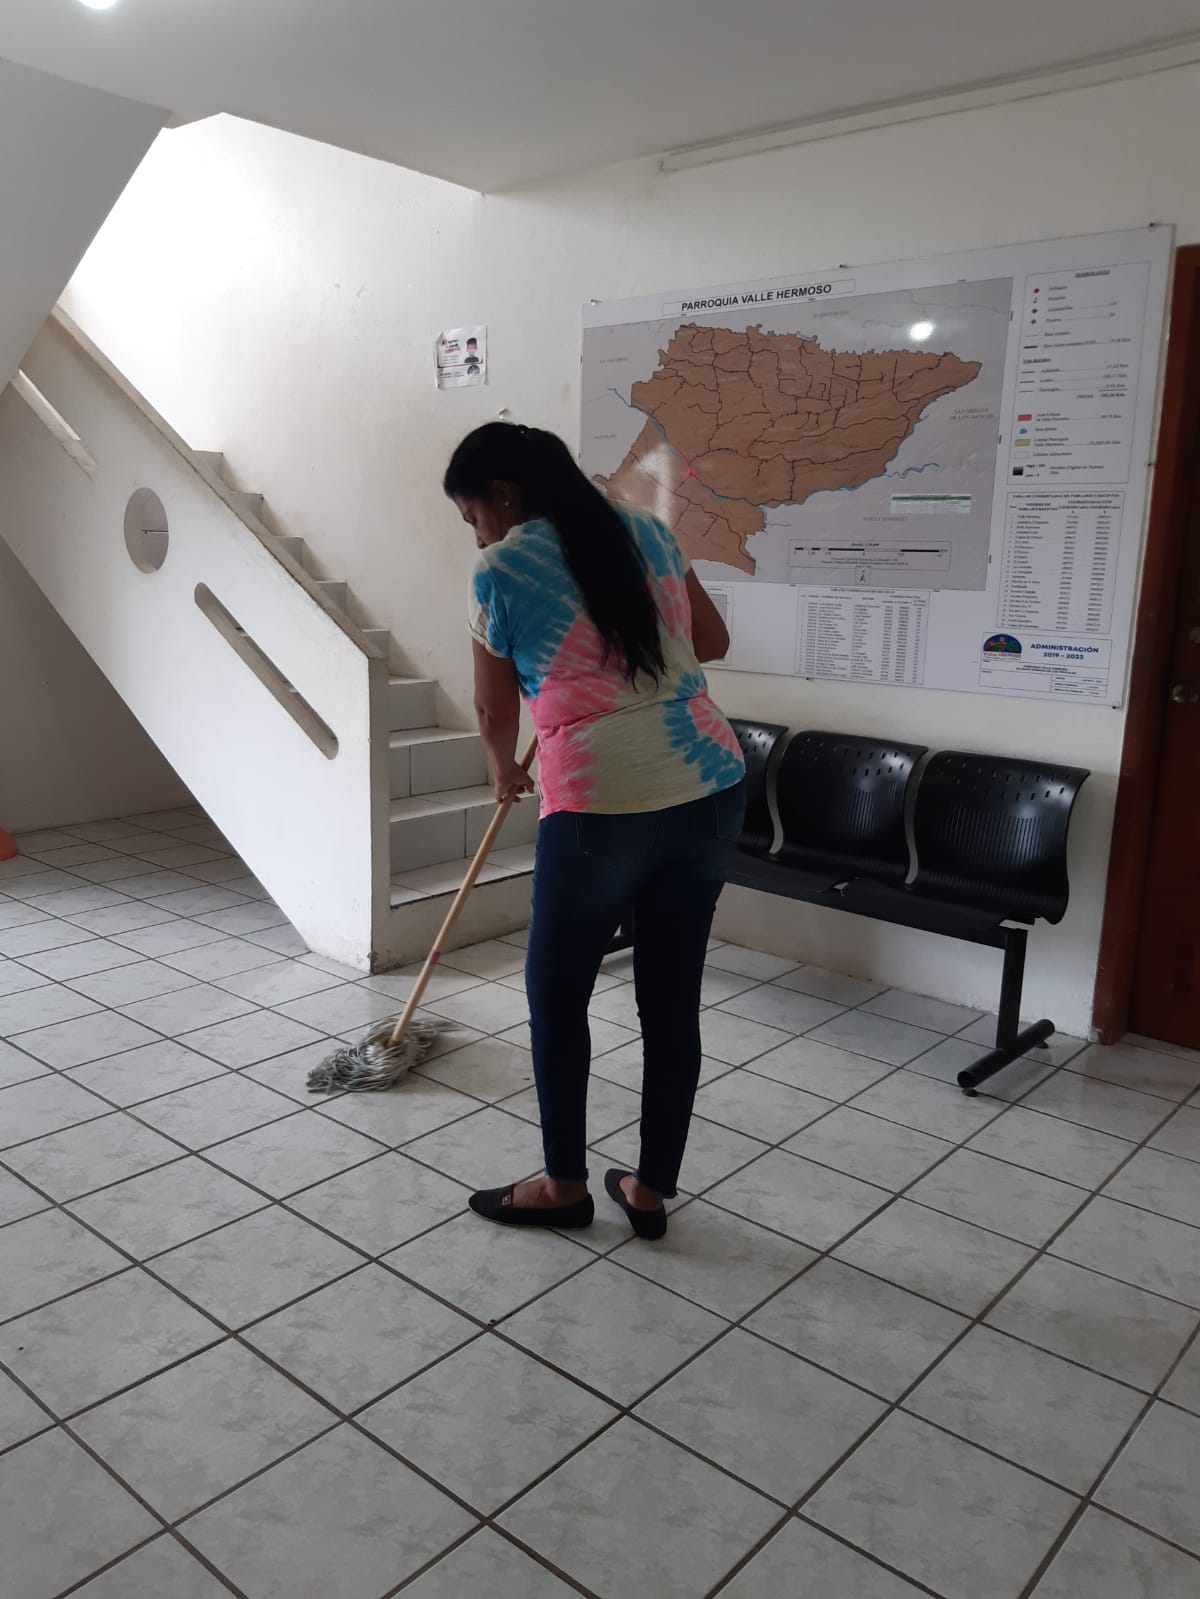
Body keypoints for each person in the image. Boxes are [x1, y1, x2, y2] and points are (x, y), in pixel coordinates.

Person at [444, 421, 746, 1240]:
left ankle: (563, 1185)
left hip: (598, 802)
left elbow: (492, 708)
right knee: (671, 999)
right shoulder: (650, 530)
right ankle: (649, 1189)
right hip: (710, 783)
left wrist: (501, 767)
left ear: (504, 495)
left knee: (557, 996)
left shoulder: (499, 569)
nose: (476, 534)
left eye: (472, 515)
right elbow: (712, 640)